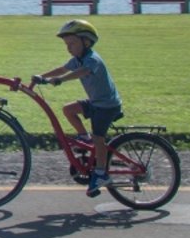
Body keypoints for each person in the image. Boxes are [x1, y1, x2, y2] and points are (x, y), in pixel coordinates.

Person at [32, 19, 124, 197]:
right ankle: (84, 137)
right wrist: (41, 77)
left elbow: (81, 72)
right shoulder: (78, 59)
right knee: (69, 109)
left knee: (99, 139)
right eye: (67, 44)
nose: (69, 48)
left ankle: (100, 173)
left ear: (86, 41)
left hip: (107, 106)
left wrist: (61, 80)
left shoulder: (92, 60)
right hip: (96, 103)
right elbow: (62, 69)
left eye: (72, 43)